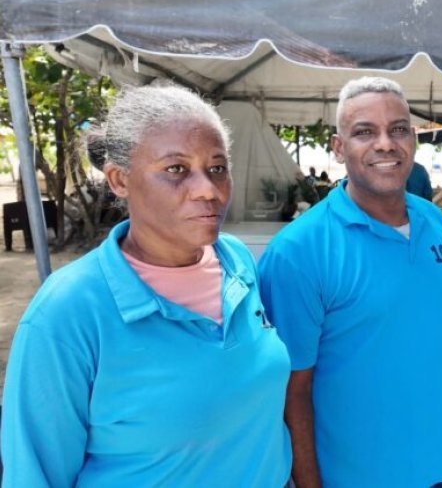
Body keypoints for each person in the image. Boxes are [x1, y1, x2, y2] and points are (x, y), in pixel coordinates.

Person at [1, 85, 292, 487]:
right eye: (176, 169)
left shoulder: (236, 262)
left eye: (217, 167)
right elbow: (34, 475)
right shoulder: (68, 311)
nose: (208, 188)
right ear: (119, 180)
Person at [258, 76, 442, 487]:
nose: (385, 143)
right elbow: (290, 392)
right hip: (354, 475)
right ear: (338, 147)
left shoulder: (434, 221)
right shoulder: (298, 252)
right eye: (364, 132)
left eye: (399, 129)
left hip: (436, 462)